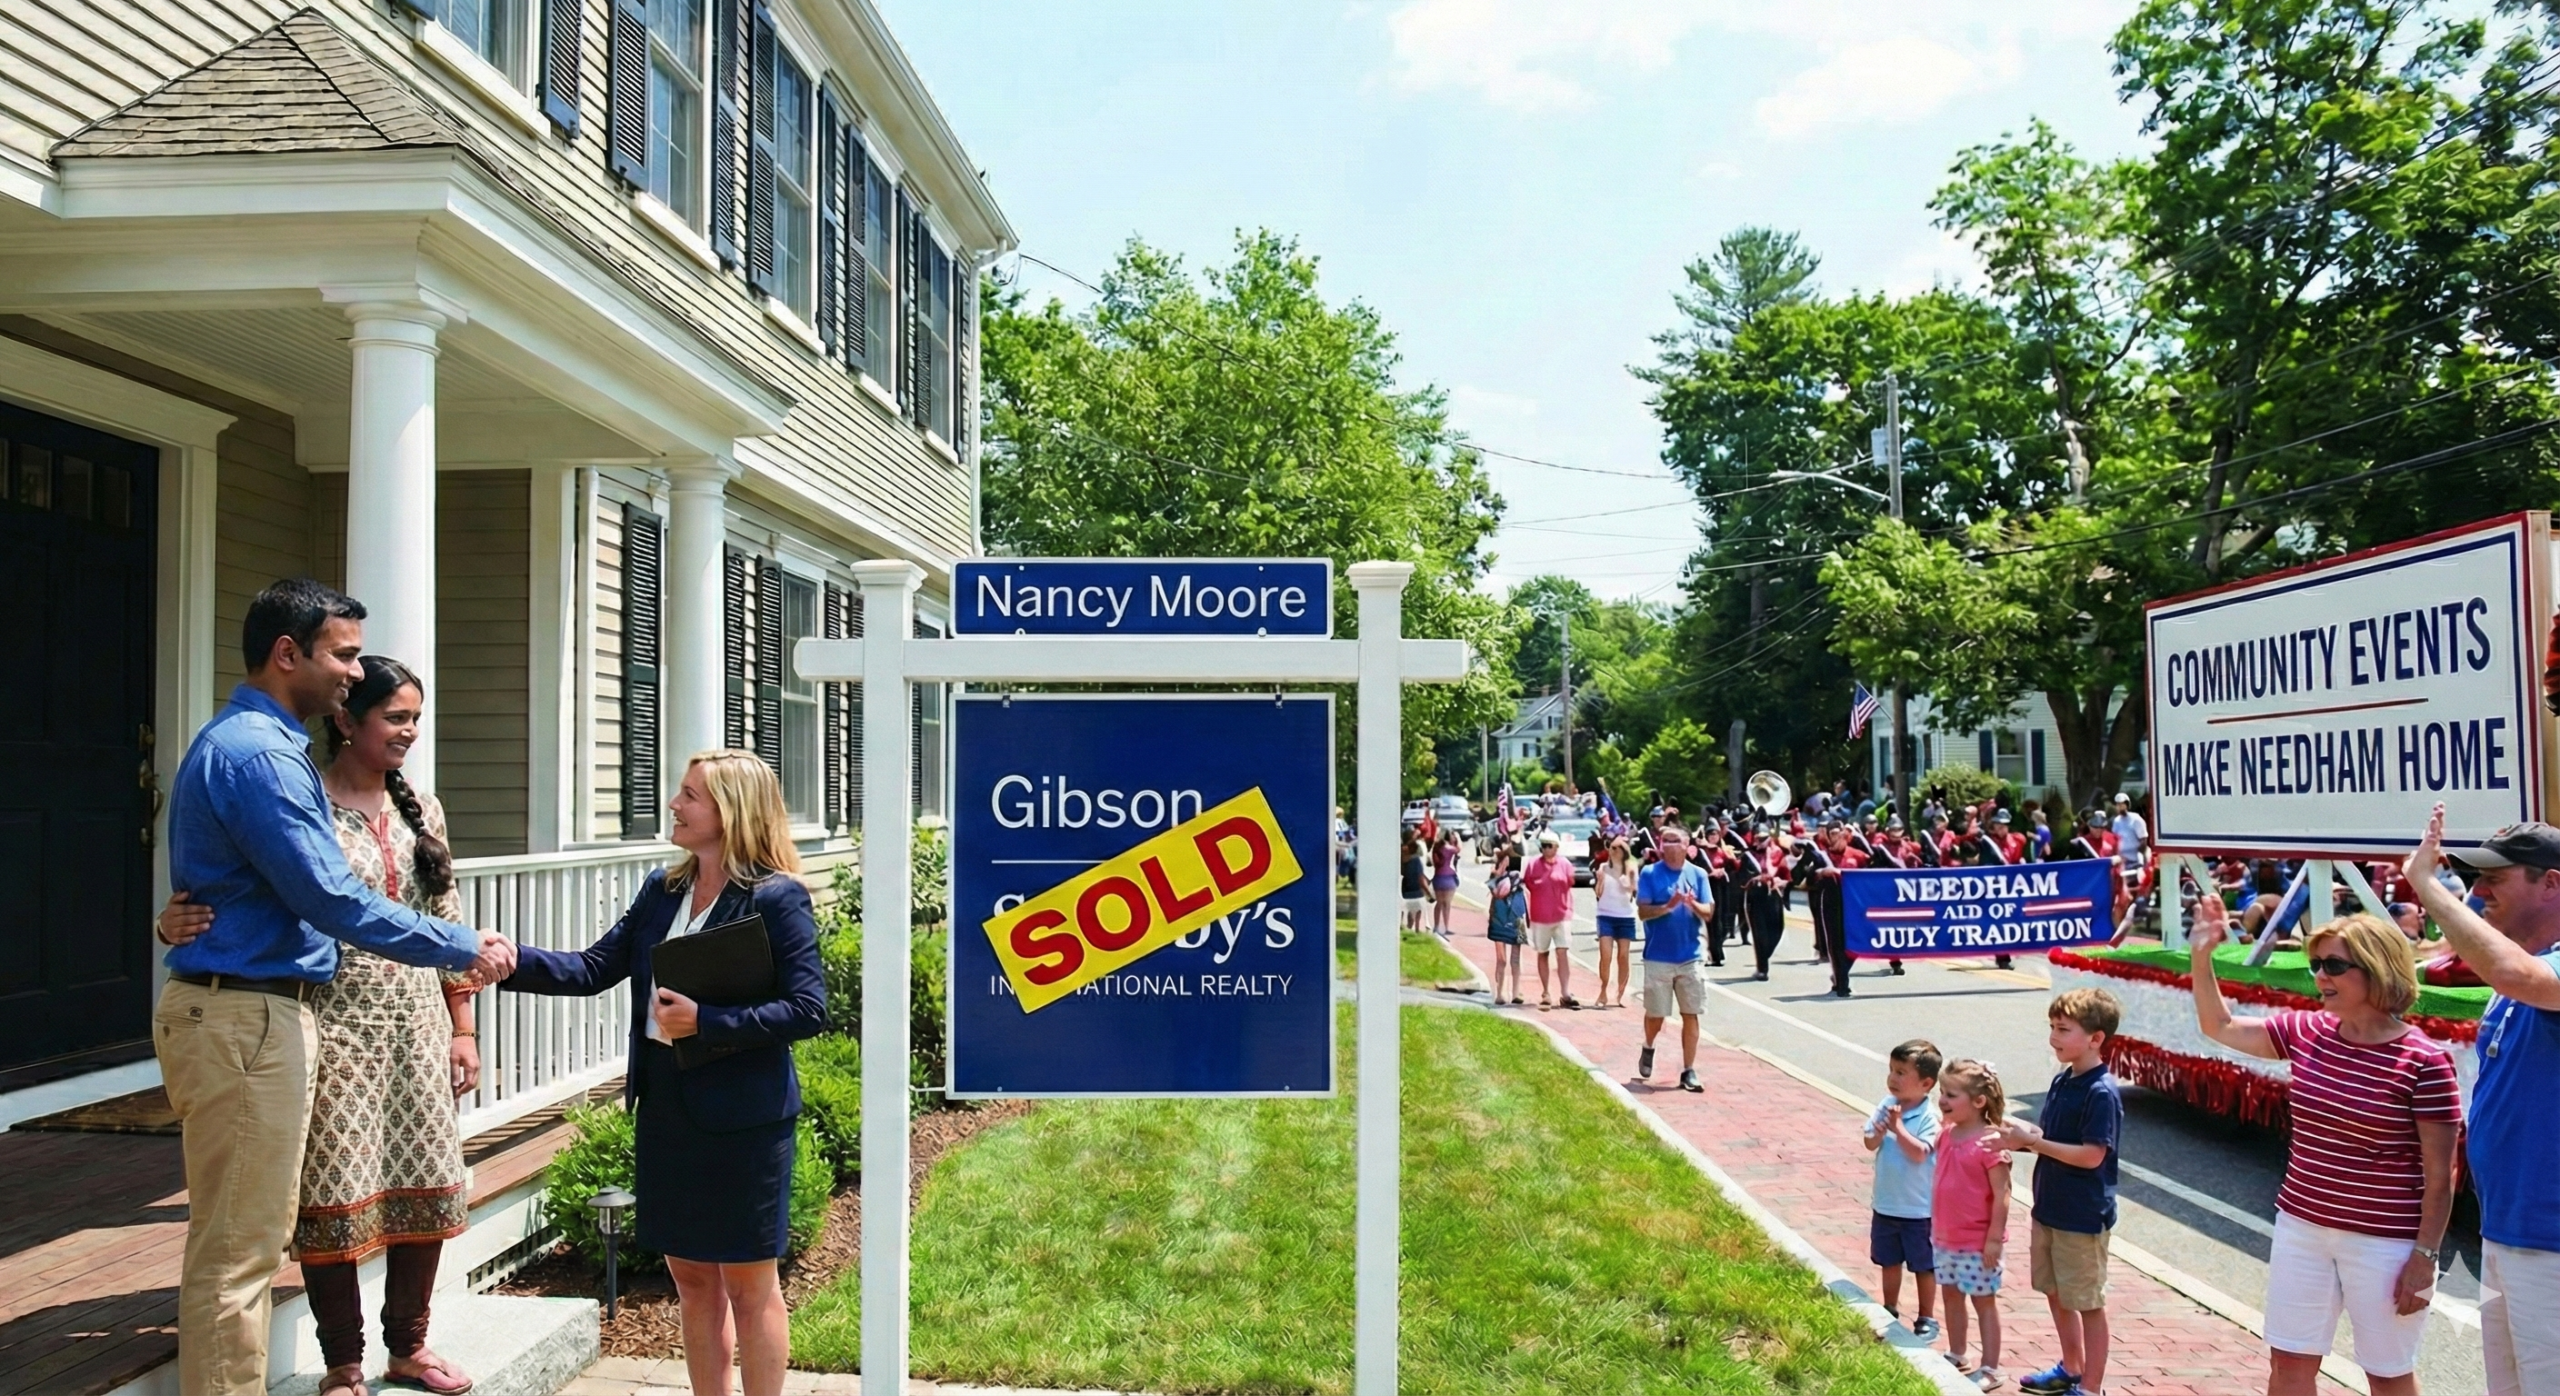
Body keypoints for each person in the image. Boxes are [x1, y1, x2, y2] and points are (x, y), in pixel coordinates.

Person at [155, 582, 512, 1396]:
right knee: (240, 1253)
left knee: (242, 1243)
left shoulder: (257, 749)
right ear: (289, 654)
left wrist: (458, 1005)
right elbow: (330, 896)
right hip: (250, 1013)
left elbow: (243, 887)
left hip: (258, 1007)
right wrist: (465, 945)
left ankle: (397, 1346)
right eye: (343, 655)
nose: (353, 673)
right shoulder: (264, 756)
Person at [501, 751, 825, 1396]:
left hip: (745, 1120)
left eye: (690, 796)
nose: (674, 805)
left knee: (748, 1284)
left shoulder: (776, 898)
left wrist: (707, 1022)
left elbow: (808, 1008)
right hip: (670, 1109)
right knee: (693, 1279)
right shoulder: (663, 890)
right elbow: (594, 968)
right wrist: (508, 959)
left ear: (732, 812)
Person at [2186, 896, 2457, 1396]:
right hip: (2301, 1228)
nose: (2320, 977)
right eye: (2316, 965)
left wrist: (2425, 1256)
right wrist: (2201, 956)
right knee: (2288, 1365)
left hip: (2385, 1242)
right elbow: (2219, 1026)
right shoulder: (2309, 1030)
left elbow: (2442, 1177)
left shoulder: (2425, 1061)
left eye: (2334, 965)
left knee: (2387, 1374)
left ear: (2378, 969)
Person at [2405, 808, 2560, 1396]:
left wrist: (2426, 887)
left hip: (2551, 1237)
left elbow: (2516, 974)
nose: (2477, 890)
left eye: (2497, 877)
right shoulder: (2512, 976)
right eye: (2474, 877)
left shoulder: (2524, 973)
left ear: (2552, 883)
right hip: (2506, 1231)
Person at [1999, 989, 2124, 1396]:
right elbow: (2052, 1138)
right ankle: (2071, 1367)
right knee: (2055, 1291)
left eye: (2063, 1029)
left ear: (2096, 1038)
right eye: (2052, 1027)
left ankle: (2091, 1386)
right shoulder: (2063, 1079)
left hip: (2082, 1214)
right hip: (2049, 1207)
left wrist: (2034, 1144)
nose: (2054, 1037)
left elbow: (2091, 1155)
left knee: (2087, 1302)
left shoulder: (2100, 1092)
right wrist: (2021, 1136)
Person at [1935, 1059, 2015, 1391]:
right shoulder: (1947, 1135)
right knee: (1951, 1296)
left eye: (1951, 1095)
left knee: (1983, 1301)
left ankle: (1992, 1367)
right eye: (1942, 1092)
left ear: (1978, 1102)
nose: (1942, 1100)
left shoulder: (1989, 1143)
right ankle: (1957, 1352)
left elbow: (2003, 1194)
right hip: (1945, 1237)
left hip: (1977, 1242)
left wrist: (1993, 1239)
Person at [1866, 1040, 1943, 1341]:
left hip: (1919, 1208)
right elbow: (1869, 1141)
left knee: (1924, 1265)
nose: (1893, 1079)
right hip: (1886, 1203)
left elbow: (1921, 1153)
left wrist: (1898, 1130)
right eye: (1891, 1071)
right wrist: (1881, 1129)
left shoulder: (1929, 1118)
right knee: (1889, 1260)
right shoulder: (1885, 1106)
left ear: (1926, 1083)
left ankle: (1927, 1317)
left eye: (1901, 1073)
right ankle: (1890, 1308)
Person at [1634, 826, 1711, 1092]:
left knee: (1691, 1013)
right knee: (1656, 1014)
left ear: (1687, 844)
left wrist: (1691, 904)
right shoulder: (1650, 873)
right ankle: (1648, 1045)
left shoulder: (1698, 874)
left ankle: (1688, 1070)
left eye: (1674, 840)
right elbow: (1642, 912)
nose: (1668, 845)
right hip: (1658, 956)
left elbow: (1709, 912)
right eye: (1665, 840)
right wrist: (1668, 906)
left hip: (1690, 956)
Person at [1524, 830, 1579, 1009]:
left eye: (1549, 846)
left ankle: (1565, 992)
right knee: (1543, 952)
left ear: (1556, 847)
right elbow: (1529, 884)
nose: (1546, 849)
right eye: (1543, 846)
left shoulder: (1565, 864)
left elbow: (1570, 882)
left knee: (1562, 952)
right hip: (1540, 916)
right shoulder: (1533, 864)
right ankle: (1546, 991)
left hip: (1562, 914)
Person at [1593, 838, 1641, 1009]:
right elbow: (1598, 893)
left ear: (1623, 851)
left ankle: (1620, 993)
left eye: (1616, 848)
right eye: (1610, 847)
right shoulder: (1603, 868)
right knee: (1605, 956)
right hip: (1605, 915)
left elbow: (1634, 889)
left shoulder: (1630, 868)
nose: (1612, 851)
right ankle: (1603, 989)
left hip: (1626, 916)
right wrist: (1599, 880)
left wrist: (1628, 881)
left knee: (1623, 956)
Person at [1742, 826, 1790, 981]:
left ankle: (1764, 955)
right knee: (1760, 933)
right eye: (1757, 838)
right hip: (1756, 895)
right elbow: (1742, 876)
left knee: (1777, 929)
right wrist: (1756, 878)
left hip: (1773, 895)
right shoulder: (1748, 855)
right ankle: (1762, 968)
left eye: (1763, 838)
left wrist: (1780, 881)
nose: (1760, 842)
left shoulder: (1778, 853)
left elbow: (1786, 876)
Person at [1484, 844, 1528, 1006]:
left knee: (1515, 959)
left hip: (1516, 917)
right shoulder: (1496, 878)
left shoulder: (1519, 879)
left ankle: (1516, 992)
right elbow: (1495, 892)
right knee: (1501, 959)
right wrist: (1499, 870)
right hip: (1500, 917)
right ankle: (1500, 992)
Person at [1430, 829, 1461, 939]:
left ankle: (1436, 926)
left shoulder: (1436, 848)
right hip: (1449, 877)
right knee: (1447, 904)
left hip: (1438, 877)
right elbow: (1459, 849)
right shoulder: (1451, 849)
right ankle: (1445, 927)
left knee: (1439, 903)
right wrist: (1458, 837)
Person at [1399, 834, 1427, 934]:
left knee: (1404, 909)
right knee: (1417, 908)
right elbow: (1420, 878)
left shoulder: (1400, 858)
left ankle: (1403, 925)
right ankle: (1415, 928)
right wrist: (1428, 892)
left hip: (1403, 888)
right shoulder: (1415, 861)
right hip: (1415, 889)